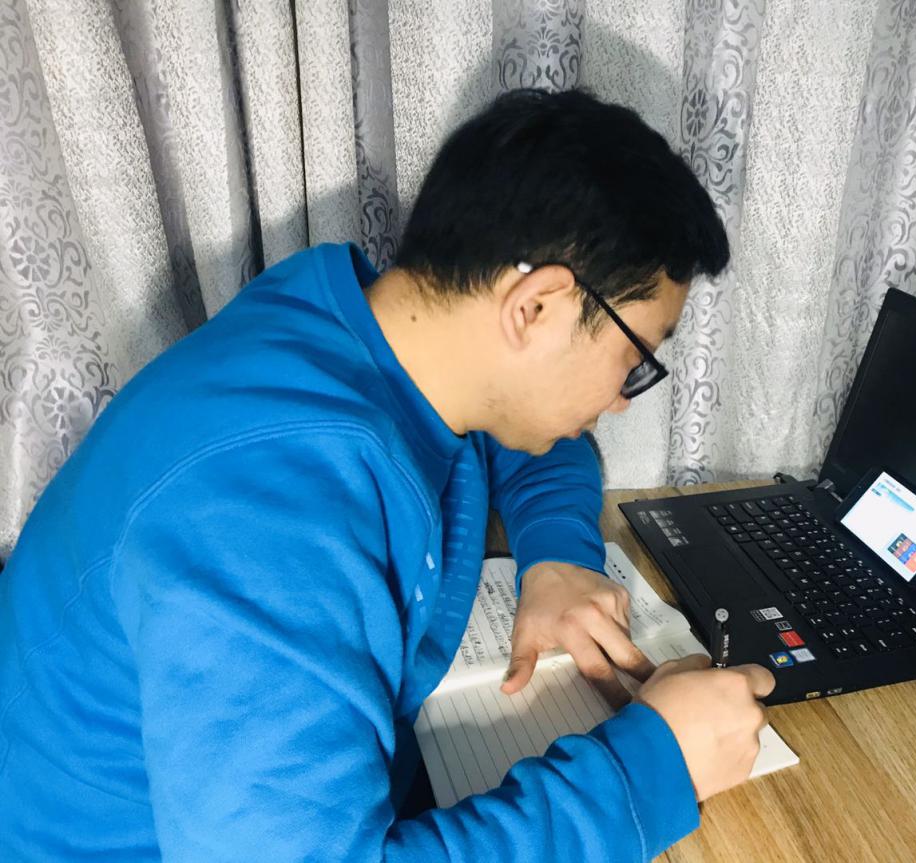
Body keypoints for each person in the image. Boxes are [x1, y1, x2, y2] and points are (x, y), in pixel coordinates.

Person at [0, 88, 774, 861]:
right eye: (633, 358)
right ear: (535, 308)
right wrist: (649, 770)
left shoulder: (353, 324)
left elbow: (523, 422)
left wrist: (558, 557)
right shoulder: (269, 512)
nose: (621, 399)